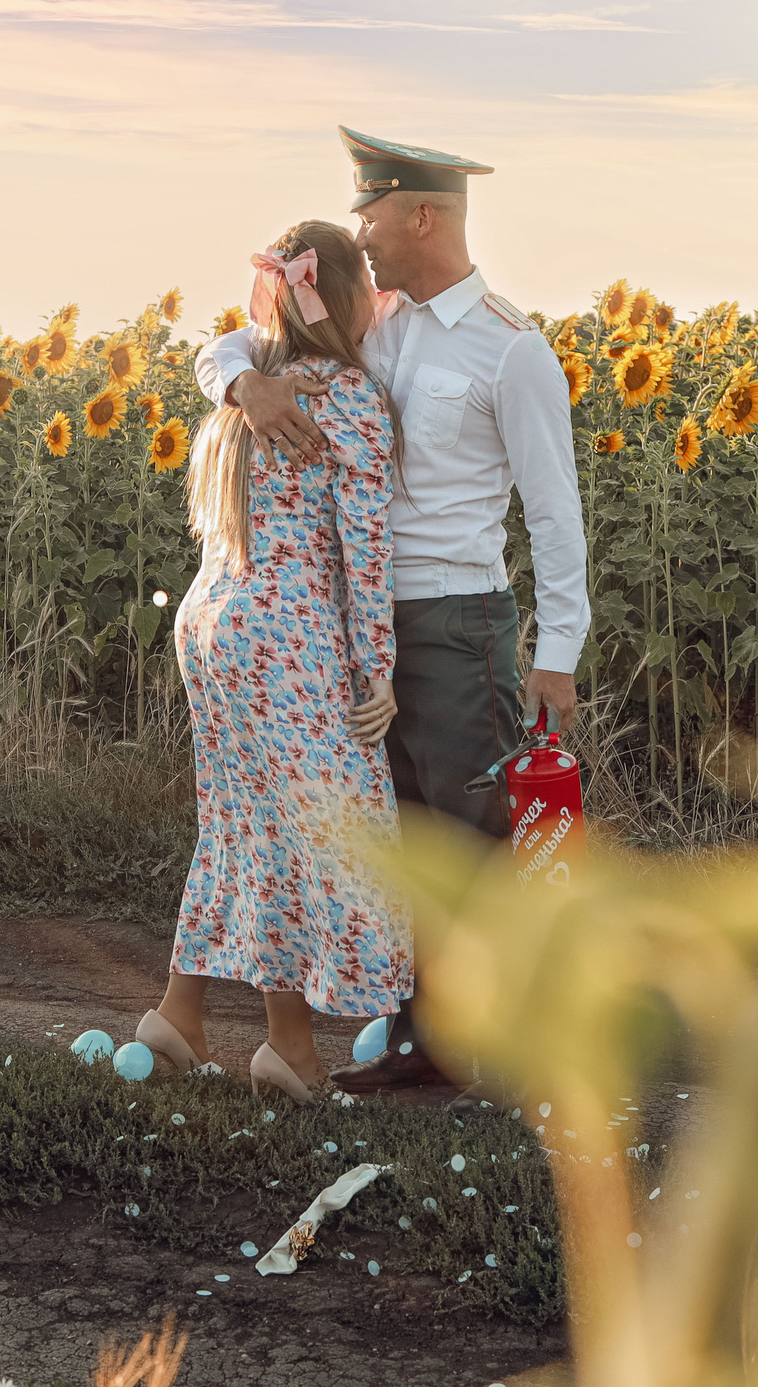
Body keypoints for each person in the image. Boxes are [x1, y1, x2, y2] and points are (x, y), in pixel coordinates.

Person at [195, 125, 590, 1098]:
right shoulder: (373, 322)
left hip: (457, 623)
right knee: (402, 841)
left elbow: (553, 512)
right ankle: (429, 1043)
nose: (360, 234)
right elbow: (230, 343)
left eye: (370, 215)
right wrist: (247, 386)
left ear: (421, 216)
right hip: (355, 629)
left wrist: (558, 651)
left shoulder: (511, 350)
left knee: (472, 839)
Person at [132, 219, 408, 1106]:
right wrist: (380, 669)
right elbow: (365, 552)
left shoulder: (251, 392)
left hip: (213, 624)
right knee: (321, 829)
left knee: (242, 822)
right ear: (348, 295)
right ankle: (287, 1046)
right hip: (288, 635)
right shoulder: (345, 397)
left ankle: (179, 1016)